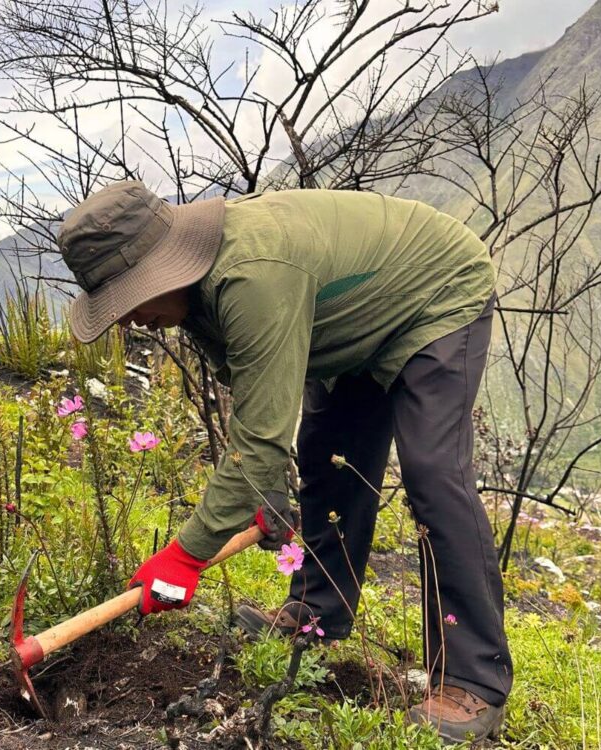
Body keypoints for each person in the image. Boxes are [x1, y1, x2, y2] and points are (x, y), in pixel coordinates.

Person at [56, 180, 512, 743]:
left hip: (436, 288)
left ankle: (474, 681)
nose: (126, 320)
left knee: (434, 477)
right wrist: (266, 494)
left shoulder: (251, 274)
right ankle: (319, 612)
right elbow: (257, 403)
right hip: (350, 319)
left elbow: (260, 440)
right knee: (328, 457)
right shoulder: (200, 291)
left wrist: (185, 556)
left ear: (163, 267)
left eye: (128, 299)